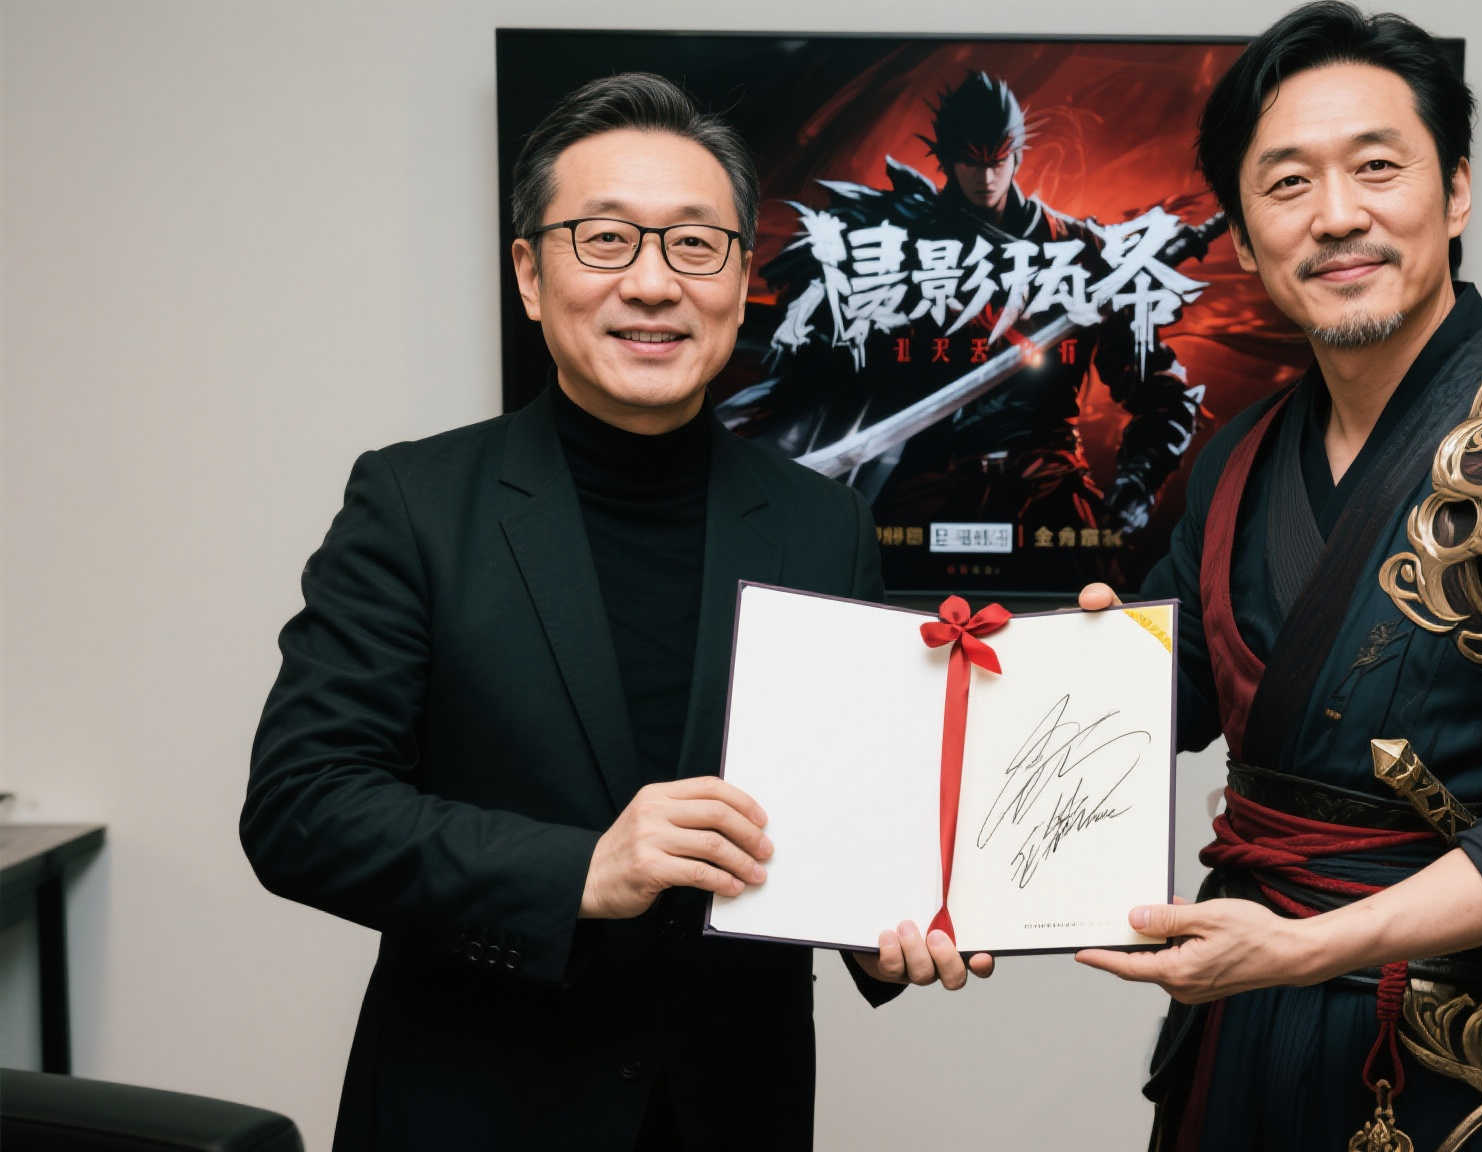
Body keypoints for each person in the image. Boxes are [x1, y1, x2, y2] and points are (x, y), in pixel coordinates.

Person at [242, 72, 987, 1152]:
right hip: (474, 1113)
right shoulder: (415, 503)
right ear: (529, 275)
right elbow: (302, 808)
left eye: (695, 244)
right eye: (603, 240)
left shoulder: (821, 523)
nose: (651, 283)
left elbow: (855, 811)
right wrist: (579, 870)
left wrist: (889, 924)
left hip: (735, 1114)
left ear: (742, 279)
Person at [1072, 6, 1482, 1149]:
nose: (1336, 215)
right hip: (1237, 1034)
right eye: (1286, 184)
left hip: (1455, 1064)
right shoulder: (1236, 461)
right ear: (1243, 238)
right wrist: (1077, 670)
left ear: (1455, 190)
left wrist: (1306, 947)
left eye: (1375, 167)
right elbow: (1156, 704)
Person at [723, 70, 1203, 542]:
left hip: (1046, 486)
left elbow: (1160, 387)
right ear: (947, 158)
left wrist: (1140, 478)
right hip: (922, 492)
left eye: (999, 160)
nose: (987, 177)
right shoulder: (900, 244)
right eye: (971, 162)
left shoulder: (1079, 251)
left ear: (1017, 154)